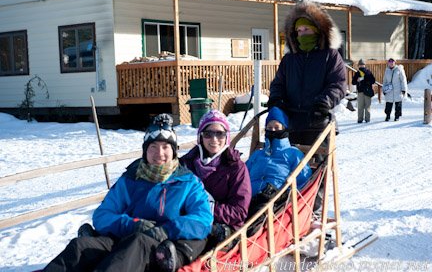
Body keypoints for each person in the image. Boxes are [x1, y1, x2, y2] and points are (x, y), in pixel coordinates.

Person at [43, 114, 213, 272]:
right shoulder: (131, 179)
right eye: (153, 147)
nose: (159, 153)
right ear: (145, 150)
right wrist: (132, 224)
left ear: (174, 151)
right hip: (123, 237)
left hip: (158, 247)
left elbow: (203, 220)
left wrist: (166, 230)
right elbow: (102, 215)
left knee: (133, 246)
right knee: (80, 246)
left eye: (165, 147)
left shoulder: (188, 183)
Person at [267, 0, 347, 146]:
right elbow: (278, 84)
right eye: (299, 31)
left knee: (317, 167)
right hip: (290, 122)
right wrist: (277, 100)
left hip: (318, 122)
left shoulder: (330, 55)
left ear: (317, 30)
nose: (302, 34)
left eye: (306, 29)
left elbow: (338, 84)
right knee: (289, 165)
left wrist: (324, 103)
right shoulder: (289, 59)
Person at [180, 109, 251, 246]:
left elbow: (239, 212)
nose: (214, 139)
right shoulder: (186, 164)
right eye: (208, 134)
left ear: (227, 137)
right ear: (200, 136)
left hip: (224, 228)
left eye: (220, 134)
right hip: (189, 220)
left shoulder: (236, 167)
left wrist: (205, 208)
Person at [246, 107, 312, 218]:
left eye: (277, 127)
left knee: (256, 213)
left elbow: (303, 183)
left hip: (274, 202)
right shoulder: (258, 154)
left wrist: (284, 194)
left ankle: (243, 233)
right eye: (269, 127)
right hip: (247, 198)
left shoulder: (293, 154)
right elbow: (242, 176)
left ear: (284, 129)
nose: (272, 131)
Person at [352, 59, 376, 123]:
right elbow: (353, 82)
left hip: (367, 91)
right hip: (360, 91)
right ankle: (360, 119)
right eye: (360, 65)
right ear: (358, 66)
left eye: (363, 64)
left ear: (365, 65)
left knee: (367, 106)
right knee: (360, 106)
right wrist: (357, 80)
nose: (362, 66)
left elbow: (373, 81)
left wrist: (366, 81)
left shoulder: (368, 72)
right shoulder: (357, 73)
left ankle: (367, 119)